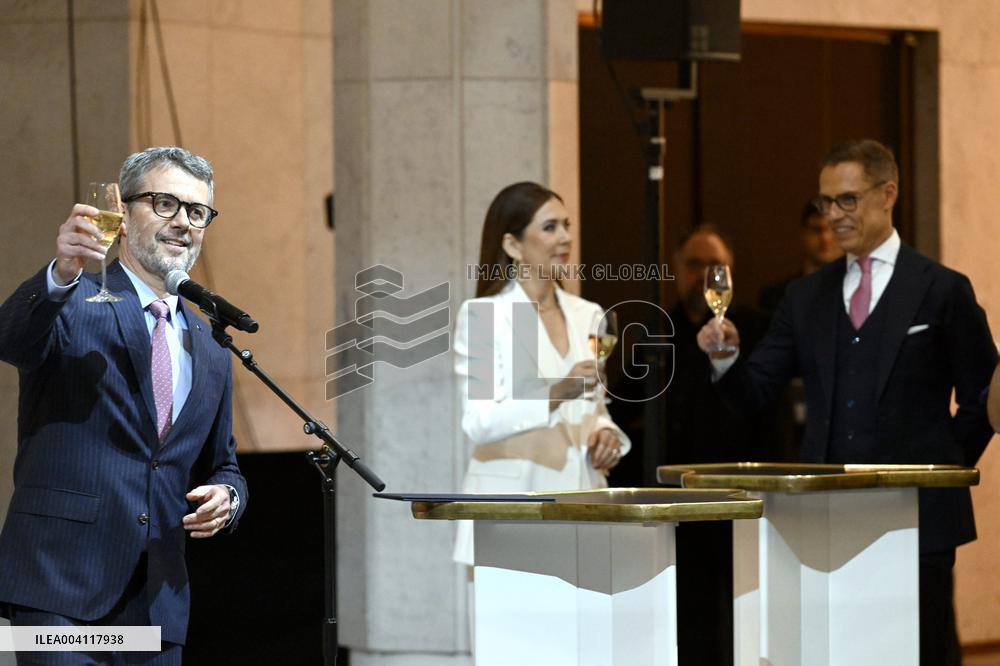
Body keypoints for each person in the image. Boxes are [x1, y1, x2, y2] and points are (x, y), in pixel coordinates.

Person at [698, 139, 997, 665]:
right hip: (825, 519)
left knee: (923, 651)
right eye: (824, 202)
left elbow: (983, 397)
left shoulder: (943, 290)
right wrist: (724, 360)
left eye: (847, 200)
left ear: (888, 194)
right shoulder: (805, 297)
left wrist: (945, 470)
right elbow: (754, 392)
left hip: (919, 521)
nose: (833, 215)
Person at [0, 146, 247, 664]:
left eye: (197, 212)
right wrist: (61, 273)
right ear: (124, 212)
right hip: (58, 591)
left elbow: (222, 463)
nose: (183, 222)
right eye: (164, 204)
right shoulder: (72, 301)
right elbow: (11, 340)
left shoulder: (211, 348)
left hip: (157, 603)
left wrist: (229, 496)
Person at [452, 181, 630, 566]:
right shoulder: (486, 317)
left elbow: (595, 408)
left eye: (566, 225)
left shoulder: (589, 314)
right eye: (550, 227)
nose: (565, 237)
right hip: (512, 518)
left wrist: (606, 434)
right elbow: (479, 422)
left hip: (585, 506)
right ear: (513, 245)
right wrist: (556, 392)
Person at [758, 201, 843, 316]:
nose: (825, 238)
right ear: (803, 233)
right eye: (816, 229)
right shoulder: (777, 296)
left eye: (833, 229)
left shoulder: (860, 295)